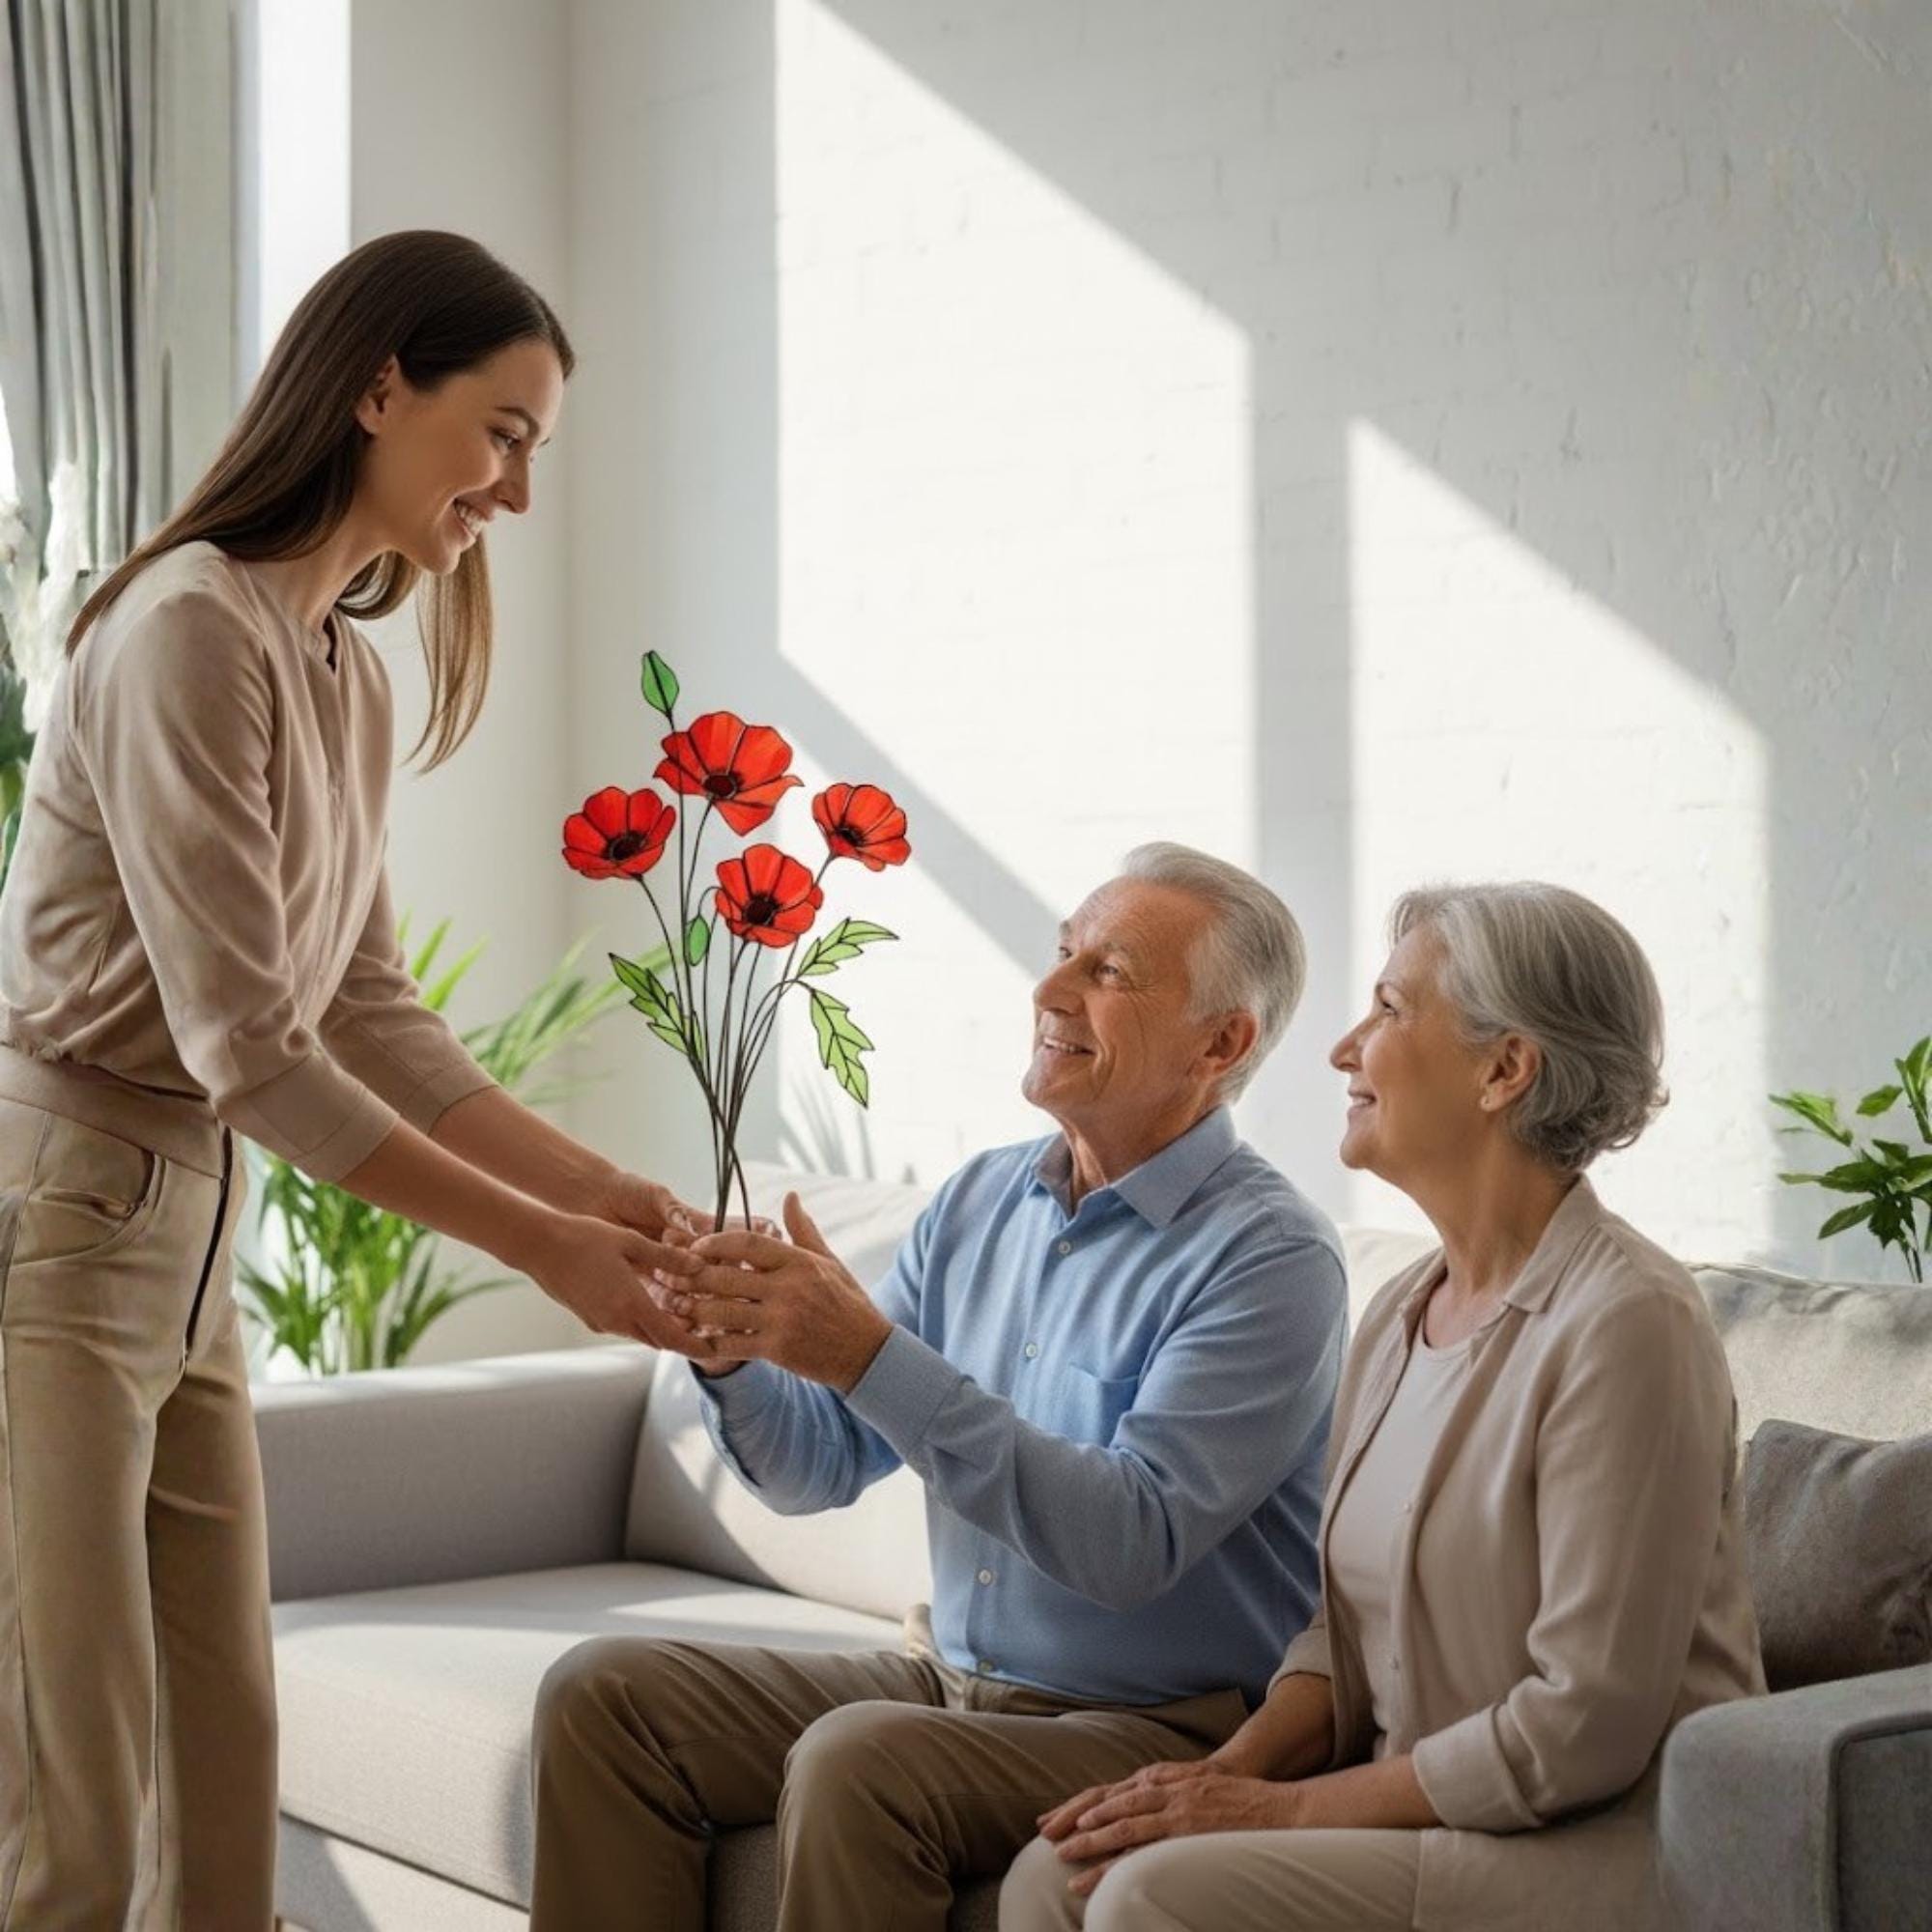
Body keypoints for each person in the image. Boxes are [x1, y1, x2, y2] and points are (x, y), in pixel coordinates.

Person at [0, 231, 706, 1930]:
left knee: (223, 1771)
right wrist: (543, 1253)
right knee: (78, 1796)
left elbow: (369, 1008)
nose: (515, 495)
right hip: (65, 1216)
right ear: (381, 384)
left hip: (186, 1247)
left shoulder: (342, 670)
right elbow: (252, 1049)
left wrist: (601, 1195)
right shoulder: (185, 630)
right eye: (505, 432)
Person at [526, 843, 1350, 1932]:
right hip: (953, 1677)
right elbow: (814, 1465)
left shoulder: (1271, 1256)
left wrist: (865, 1353)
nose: (1048, 991)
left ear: (1221, 1041)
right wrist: (726, 1346)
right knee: (606, 1696)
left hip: (1161, 1722)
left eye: (1107, 972)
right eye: (1062, 954)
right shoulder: (977, 1202)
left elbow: (1127, 1539)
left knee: (859, 1758)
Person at [1003, 882, 1764, 1932]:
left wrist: (1278, 1811)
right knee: (1059, 1870)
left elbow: (1579, 1724)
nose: (1341, 1048)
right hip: (1418, 1813)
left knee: (1141, 1894)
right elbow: (1335, 1637)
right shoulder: (1401, 1311)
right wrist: (1203, 1784)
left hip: (1605, 1841)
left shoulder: (1627, 1324)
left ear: (1504, 1069)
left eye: (1390, 1009)